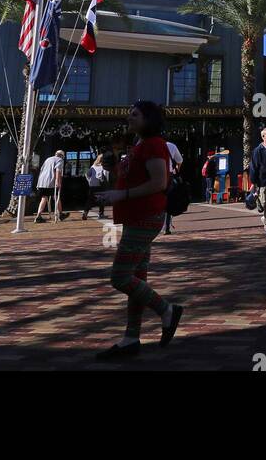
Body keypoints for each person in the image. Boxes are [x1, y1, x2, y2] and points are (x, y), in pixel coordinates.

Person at [91, 101, 182, 360]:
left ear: (148, 119)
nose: (128, 118)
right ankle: (131, 337)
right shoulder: (140, 145)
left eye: (135, 114)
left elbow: (159, 182)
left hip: (145, 215)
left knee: (120, 277)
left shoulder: (154, 144)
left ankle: (167, 310)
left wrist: (122, 194)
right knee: (137, 278)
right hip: (135, 216)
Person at [82, 144, 116, 220]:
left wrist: (89, 181)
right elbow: (105, 176)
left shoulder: (93, 167)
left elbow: (87, 174)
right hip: (100, 185)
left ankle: (85, 213)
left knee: (90, 200)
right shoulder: (103, 167)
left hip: (92, 185)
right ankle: (101, 214)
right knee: (101, 200)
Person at [34, 150, 65, 223]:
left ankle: (38, 216)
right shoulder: (59, 160)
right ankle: (60, 214)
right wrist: (58, 182)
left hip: (42, 181)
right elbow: (58, 171)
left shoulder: (48, 159)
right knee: (56, 197)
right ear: (62, 156)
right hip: (50, 181)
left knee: (44, 198)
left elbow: (42, 169)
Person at [163, 141, 183, 235]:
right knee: (168, 201)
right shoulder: (171, 146)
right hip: (168, 175)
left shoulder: (149, 143)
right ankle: (166, 228)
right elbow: (180, 160)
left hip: (153, 174)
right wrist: (176, 171)